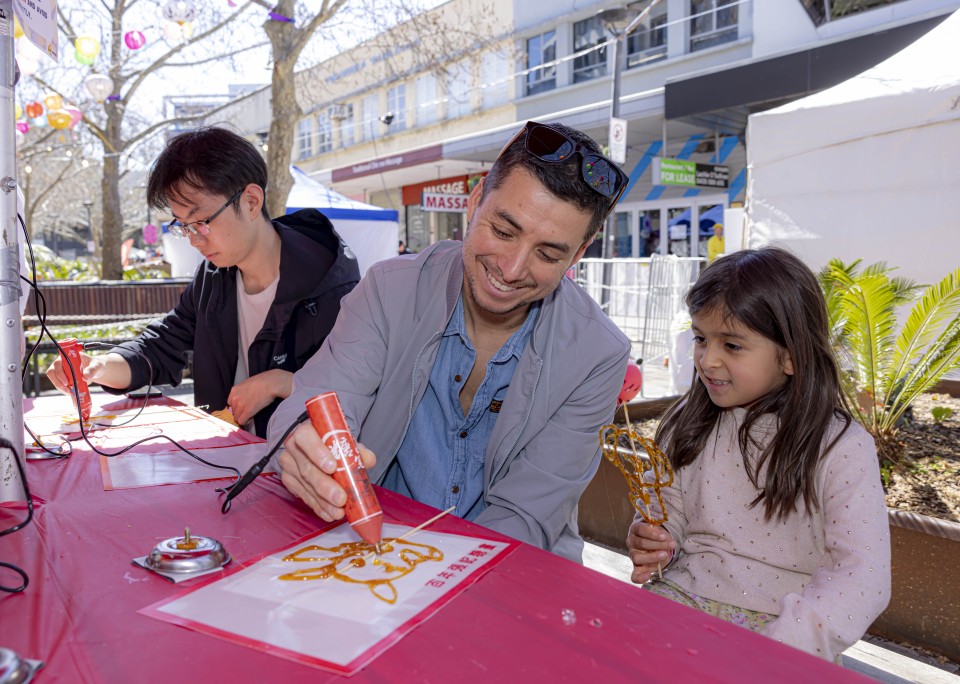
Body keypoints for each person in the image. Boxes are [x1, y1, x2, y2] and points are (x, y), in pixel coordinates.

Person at [269, 120, 632, 562]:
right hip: (374, 556)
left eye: (548, 254)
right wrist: (305, 449)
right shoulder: (389, 289)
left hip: (512, 572)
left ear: (578, 254)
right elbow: (315, 402)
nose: (512, 268)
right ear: (476, 200)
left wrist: (425, 575)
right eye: (503, 231)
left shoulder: (598, 354)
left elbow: (527, 516)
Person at [626, 247, 890, 661]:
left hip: (785, 636)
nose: (707, 360)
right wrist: (657, 540)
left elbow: (862, 574)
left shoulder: (841, 446)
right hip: (677, 602)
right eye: (700, 338)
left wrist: (780, 648)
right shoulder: (687, 419)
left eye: (731, 345)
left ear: (790, 356)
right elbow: (668, 508)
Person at [45, 127, 360, 436]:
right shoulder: (214, 278)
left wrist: (280, 382)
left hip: (304, 470)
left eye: (202, 222)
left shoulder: (330, 285)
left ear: (251, 201)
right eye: (184, 226)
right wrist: (98, 366)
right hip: (227, 458)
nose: (194, 240)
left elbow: (359, 386)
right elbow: (159, 347)